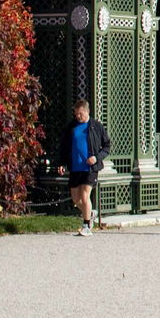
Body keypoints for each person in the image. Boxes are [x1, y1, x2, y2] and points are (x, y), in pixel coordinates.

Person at [57, 101, 111, 237]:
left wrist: (96, 157)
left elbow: (107, 146)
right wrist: (62, 163)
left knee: (85, 195)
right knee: (76, 199)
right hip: (75, 166)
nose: (78, 116)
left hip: (90, 168)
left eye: (80, 113)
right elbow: (64, 146)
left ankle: (86, 225)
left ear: (87, 112)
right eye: (76, 114)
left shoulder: (96, 126)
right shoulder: (71, 126)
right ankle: (90, 212)